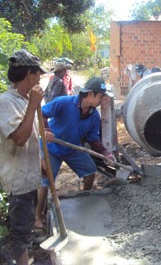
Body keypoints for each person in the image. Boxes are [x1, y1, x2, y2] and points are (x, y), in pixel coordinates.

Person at [34, 77, 115, 231]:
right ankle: (37, 217)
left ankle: (85, 200)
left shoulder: (93, 116)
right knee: (45, 182)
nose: (102, 99)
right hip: (52, 147)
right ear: (90, 94)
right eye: (100, 95)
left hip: (72, 149)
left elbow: (93, 140)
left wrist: (106, 154)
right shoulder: (64, 102)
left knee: (90, 171)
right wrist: (46, 130)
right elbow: (42, 113)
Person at [0, 49, 46, 264]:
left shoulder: (24, 100)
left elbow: (30, 133)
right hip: (17, 181)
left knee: (25, 228)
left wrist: (46, 140)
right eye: (38, 74)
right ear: (30, 74)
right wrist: (33, 105)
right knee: (20, 235)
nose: (40, 78)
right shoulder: (6, 102)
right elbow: (19, 138)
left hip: (29, 177)